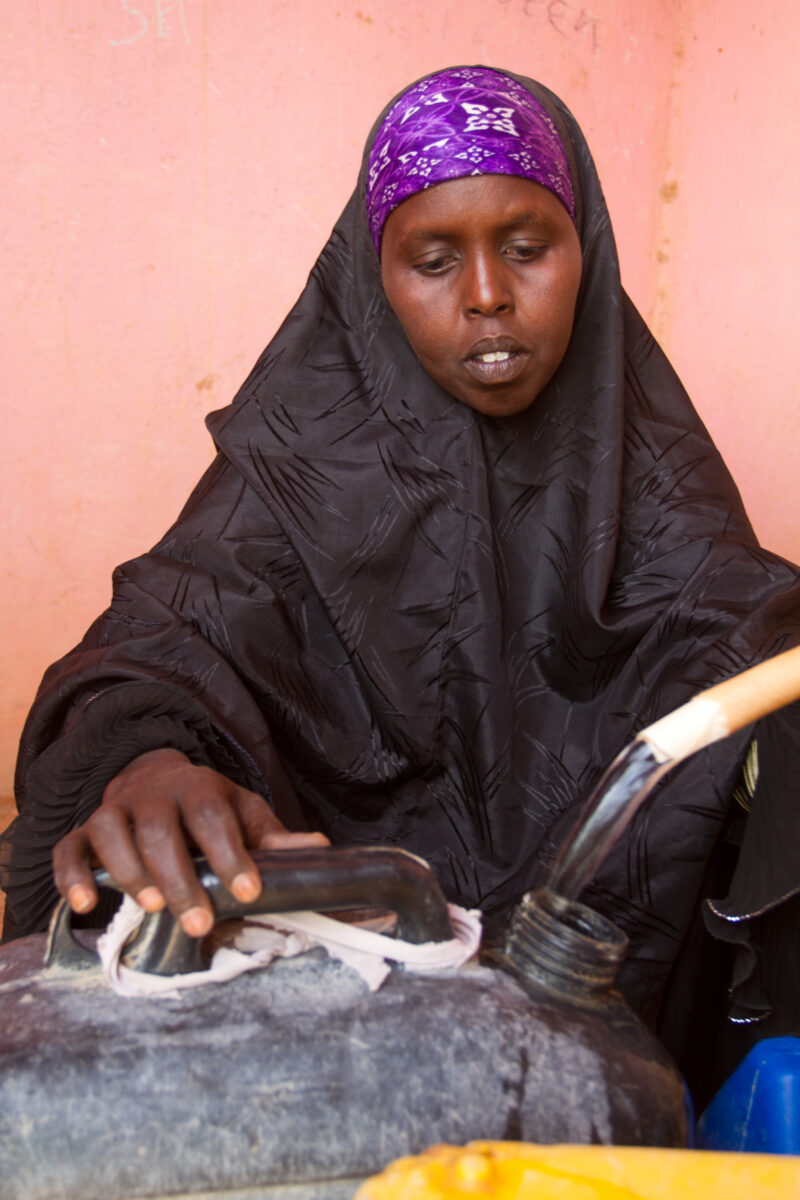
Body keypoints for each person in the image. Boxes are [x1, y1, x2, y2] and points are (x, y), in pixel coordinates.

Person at [2, 66, 798, 1105]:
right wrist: (149, 758)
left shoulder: (647, 477)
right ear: (367, 278)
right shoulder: (296, 465)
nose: (484, 296)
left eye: (526, 248)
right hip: (316, 1039)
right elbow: (163, 637)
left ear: (586, 251)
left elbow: (738, 636)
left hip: (593, 1029)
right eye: (431, 260)